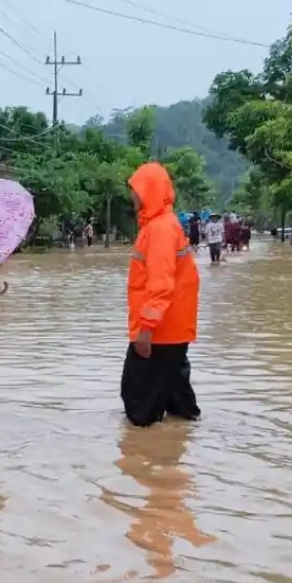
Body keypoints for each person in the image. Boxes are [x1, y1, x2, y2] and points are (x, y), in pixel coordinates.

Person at [121, 162, 201, 428]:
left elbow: (160, 284)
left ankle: (146, 452)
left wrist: (146, 330)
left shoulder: (159, 229)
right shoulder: (162, 224)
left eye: (135, 189)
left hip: (160, 333)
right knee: (180, 406)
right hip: (172, 329)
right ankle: (183, 443)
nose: (132, 195)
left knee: (138, 405)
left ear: (148, 190)